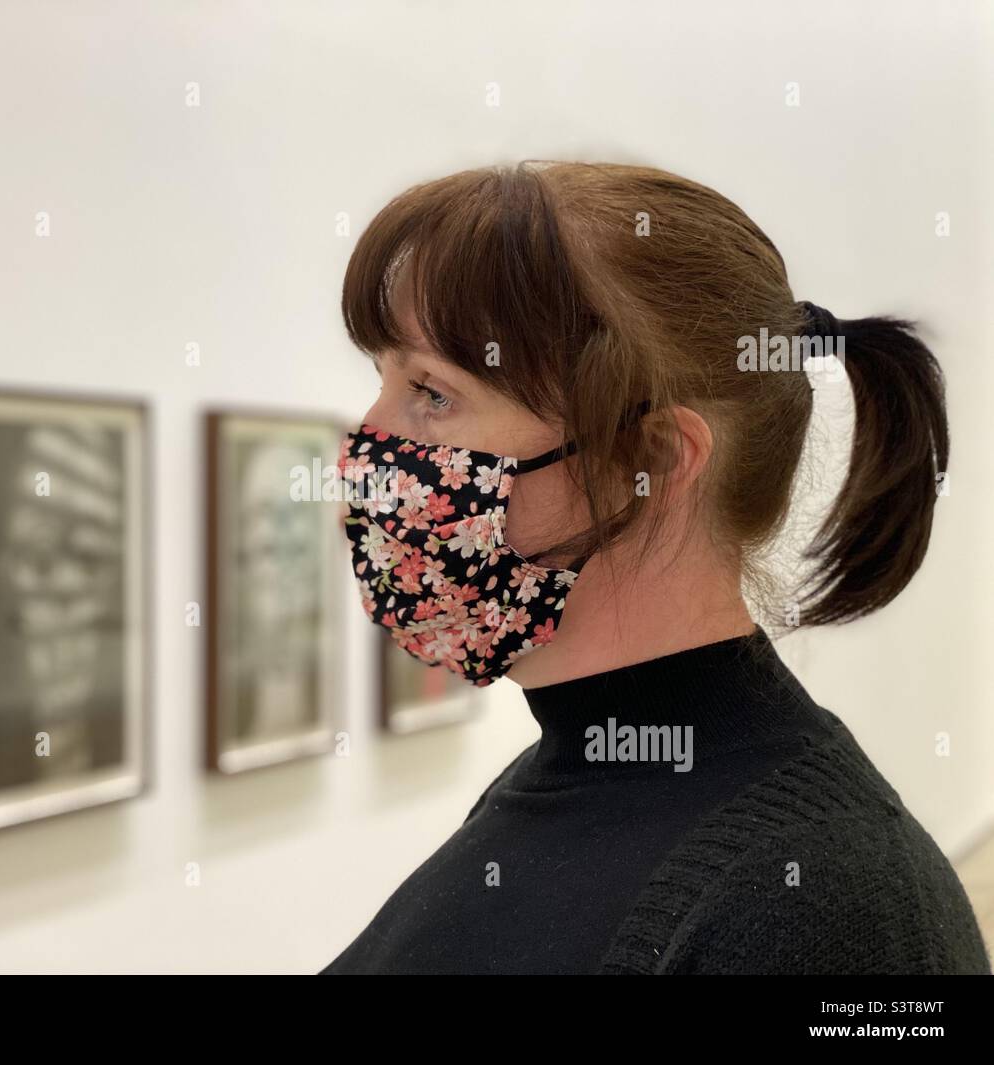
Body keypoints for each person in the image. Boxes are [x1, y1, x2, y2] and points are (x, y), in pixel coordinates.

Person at [319, 161, 990, 974]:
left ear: (655, 457)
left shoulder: (828, 903)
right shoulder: (567, 775)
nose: (370, 444)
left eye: (432, 392)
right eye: (382, 380)